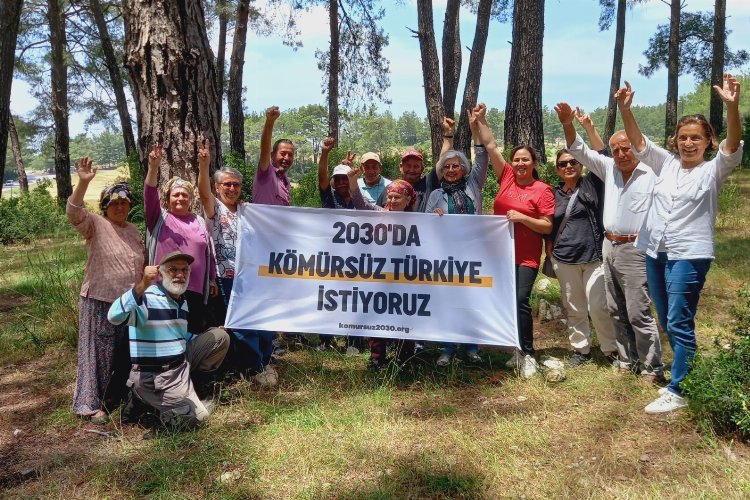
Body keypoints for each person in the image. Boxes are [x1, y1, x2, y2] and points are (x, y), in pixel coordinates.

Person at [616, 75, 744, 413]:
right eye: (683, 138)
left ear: (708, 142)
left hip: (689, 254)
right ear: (676, 141)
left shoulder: (713, 169)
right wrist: (625, 110)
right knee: (667, 319)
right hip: (655, 250)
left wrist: (732, 107)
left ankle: (680, 388)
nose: (689, 143)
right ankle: (687, 373)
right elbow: (637, 140)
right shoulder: (666, 163)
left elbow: (733, 142)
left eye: (696, 138)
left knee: (678, 321)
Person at [554, 101, 664, 384]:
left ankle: (652, 367)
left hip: (636, 248)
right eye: (616, 149)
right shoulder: (609, 170)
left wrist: (624, 112)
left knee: (638, 309)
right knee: (615, 309)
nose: (620, 153)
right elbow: (579, 150)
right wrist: (568, 124)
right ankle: (627, 360)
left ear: (637, 147)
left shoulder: (652, 172)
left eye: (626, 147)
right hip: (608, 246)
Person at [473, 113, 555, 378]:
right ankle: (515, 351)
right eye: (517, 159)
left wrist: (523, 218)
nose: (520, 163)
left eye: (525, 159)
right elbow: (491, 147)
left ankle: (529, 354)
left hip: (526, 257)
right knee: (504, 303)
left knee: (520, 301)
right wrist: (481, 121)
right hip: (498, 256)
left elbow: (547, 226)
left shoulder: (542, 190)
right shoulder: (506, 177)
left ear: (533, 163)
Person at [107, 252, 230, 427]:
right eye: (173, 270)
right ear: (161, 273)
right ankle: (142, 399)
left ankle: (191, 391)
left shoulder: (182, 300)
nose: (180, 275)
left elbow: (179, 336)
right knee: (195, 419)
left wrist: (202, 338)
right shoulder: (148, 298)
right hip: (156, 374)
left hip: (179, 364)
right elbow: (114, 316)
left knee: (219, 337)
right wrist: (143, 284)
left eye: (185, 270)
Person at [66, 157, 144, 424]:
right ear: (105, 206)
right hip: (99, 299)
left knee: (124, 354)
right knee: (96, 355)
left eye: (124, 202)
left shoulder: (134, 231)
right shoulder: (96, 225)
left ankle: (114, 398)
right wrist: (83, 183)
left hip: (128, 304)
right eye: (114, 203)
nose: (120, 206)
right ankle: (88, 404)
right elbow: (74, 212)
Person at [196, 139, 277, 386]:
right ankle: (255, 367)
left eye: (236, 184)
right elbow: (202, 192)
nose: (232, 188)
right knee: (241, 323)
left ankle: (266, 359)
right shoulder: (214, 209)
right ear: (218, 187)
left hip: (254, 276)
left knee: (262, 319)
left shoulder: (247, 210)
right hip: (227, 276)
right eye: (227, 184)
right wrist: (204, 165)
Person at [426, 105, 489, 366]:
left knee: (470, 300)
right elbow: (425, 225)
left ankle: (471, 346)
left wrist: (476, 129)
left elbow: (483, 158)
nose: (451, 170)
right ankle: (448, 347)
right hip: (445, 257)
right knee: (448, 301)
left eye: (456, 166)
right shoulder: (435, 195)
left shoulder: (474, 185)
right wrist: (436, 216)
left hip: (472, 254)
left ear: (464, 169)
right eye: (447, 167)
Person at [546, 145, 618, 367]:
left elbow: (604, 157)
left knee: (599, 306)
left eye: (573, 162)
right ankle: (581, 349)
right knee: (574, 307)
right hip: (564, 259)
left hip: (593, 256)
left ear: (581, 164)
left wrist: (588, 128)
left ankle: (611, 349)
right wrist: (548, 249)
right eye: (563, 164)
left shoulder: (593, 184)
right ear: (557, 169)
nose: (568, 166)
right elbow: (549, 224)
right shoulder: (552, 193)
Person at [348, 168, 419, 368]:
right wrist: (353, 181)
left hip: (404, 277)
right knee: (377, 313)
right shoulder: (378, 214)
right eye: (390, 196)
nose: (392, 200)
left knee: (405, 315)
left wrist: (439, 216)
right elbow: (360, 204)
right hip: (379, 275)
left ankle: (405, 357)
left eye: (397, 197)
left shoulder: (418, 220)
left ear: (408, 199)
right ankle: (377, 357)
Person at [144, 143, 218, 336]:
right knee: (166, 333)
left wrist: (211, 280)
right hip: (164, 288)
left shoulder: (200, 221)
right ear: (167, 198)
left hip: (195, 289)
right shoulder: (159, 218)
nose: (180, 198)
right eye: (175, 194)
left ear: (190, 199)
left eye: (185, 195)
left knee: (192, 332)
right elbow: (149, 194)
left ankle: (191, 366)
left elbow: (208, 252)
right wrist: (153, 168)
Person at [315, 138, 364, 355]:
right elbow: (322, 177)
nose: (342, 183)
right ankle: (326, 340)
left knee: (354, 297)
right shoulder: (329, 197)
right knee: (327, 296)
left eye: (345, 178)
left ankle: (353, 341)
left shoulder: (358, 198)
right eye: (338, 179)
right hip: (332, 256)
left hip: (356, 257)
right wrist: (325, 153)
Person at [375, 117, 456, 212]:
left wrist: (448, 135)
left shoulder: (428, 184)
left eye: (416, 166)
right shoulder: (390, 189)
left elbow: (443, 161)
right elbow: (376, 215)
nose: (412, 170)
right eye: (408, 166)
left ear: (422, 169)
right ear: (401, 167)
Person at [254, 105, 294, 206]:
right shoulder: (266, 171)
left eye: (290, 155)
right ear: (272, 155)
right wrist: (270, 122)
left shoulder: (286, 180)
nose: (286, 158)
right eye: (283, 154)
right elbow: (264, 148)